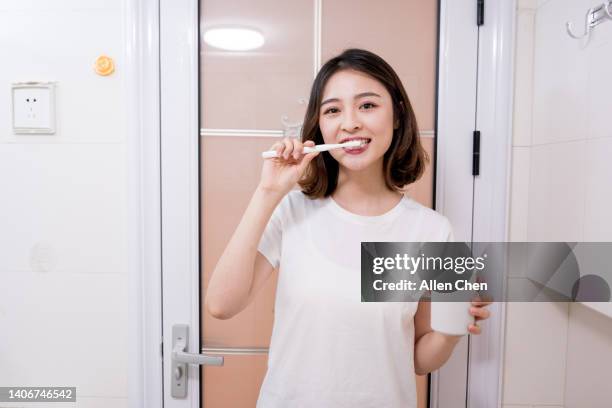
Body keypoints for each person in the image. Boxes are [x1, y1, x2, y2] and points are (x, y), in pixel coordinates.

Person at [205, 48, 491, 407]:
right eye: (333, 110)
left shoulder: (430, 231)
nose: (350, 122)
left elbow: (418, 359)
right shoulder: (292, 211)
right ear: (319, 125)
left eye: (367, 105)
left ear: (398, 115)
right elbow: (221, 304)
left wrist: (452, 329)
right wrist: (268, 192)